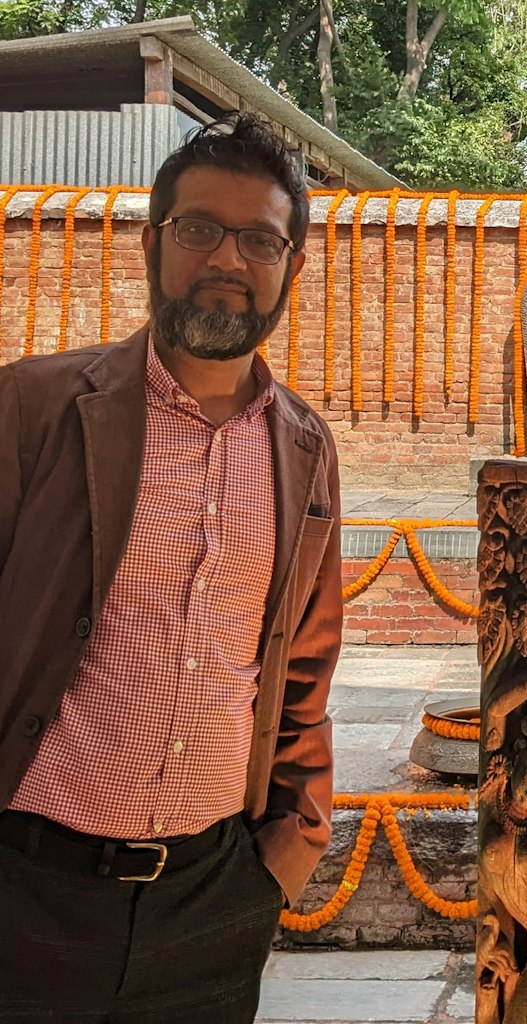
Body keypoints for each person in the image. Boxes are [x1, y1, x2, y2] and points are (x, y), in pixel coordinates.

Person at [0, 113, 343, 1023]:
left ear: (291, 267)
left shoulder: (305, 449)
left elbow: (303, 661)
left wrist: (288, 847)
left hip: (213, 897)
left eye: (260, 239)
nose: (227, 259)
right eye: (199, 229)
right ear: (155, 244)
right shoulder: (35, 410)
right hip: (28, 889)